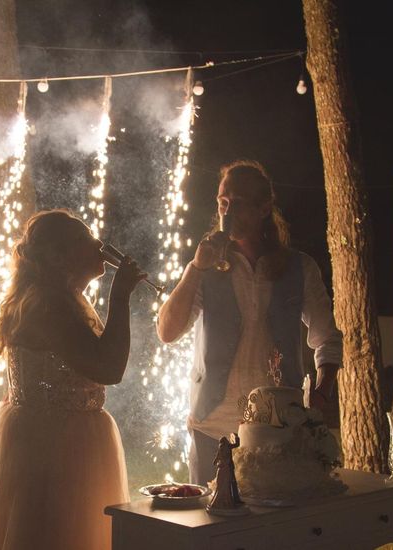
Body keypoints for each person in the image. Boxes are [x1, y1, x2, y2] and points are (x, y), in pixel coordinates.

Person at [0, 210, 146, 550]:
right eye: (87, 240)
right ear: (60, 255)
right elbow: (109, 369)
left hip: (56, 435)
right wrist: (121, 296)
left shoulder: (63, 299)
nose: (99, 245)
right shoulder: (48, 306)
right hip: (52, 446)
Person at [156, 160, 343, 485]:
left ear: (264, 207)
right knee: (209, 527)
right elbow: (167, 332)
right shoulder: (206, 268)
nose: (227, 213)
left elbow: (327, 340)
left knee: (271, 526)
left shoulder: (299, 267)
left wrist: (321, 397)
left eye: (238, 204)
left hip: (278, 426)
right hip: (211, 423)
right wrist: (195, 269)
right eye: (222, 203)